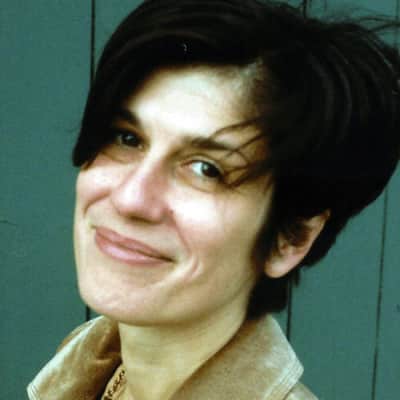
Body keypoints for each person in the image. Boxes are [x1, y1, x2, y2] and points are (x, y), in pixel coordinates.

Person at [28, 0, 400, 399]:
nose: (131, 198)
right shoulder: (84, 372)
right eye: (127, 138)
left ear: (290, 237)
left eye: (207, 169)